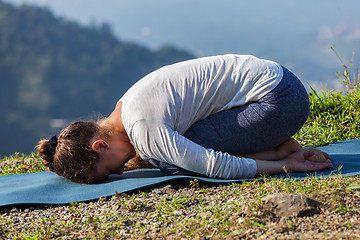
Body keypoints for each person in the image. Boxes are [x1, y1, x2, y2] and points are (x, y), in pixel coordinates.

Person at [36, 54, 333, 183]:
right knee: (170, 152)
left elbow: (216, 166)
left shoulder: (143, 129)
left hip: (278, 101)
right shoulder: (127, 106)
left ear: (100, 146)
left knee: (174, 159)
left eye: (108, 171)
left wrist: (285, 166)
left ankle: (281, 149)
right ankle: (277, 142)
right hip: (280, 82)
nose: (118, 172)